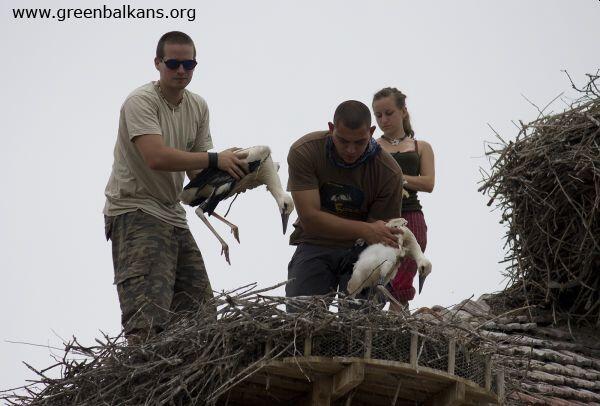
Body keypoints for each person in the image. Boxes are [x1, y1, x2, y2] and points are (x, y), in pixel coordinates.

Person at [103, 31, 247, 341]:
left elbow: (197, 172)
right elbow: (155, 157)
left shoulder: (197, 106)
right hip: (136, 210)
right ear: (157, 63)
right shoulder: (140, 101)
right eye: (173, 63)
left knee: (201, 318)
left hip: (172, 214)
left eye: (189, 64)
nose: (181, 70)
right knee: (147, 320)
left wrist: (236, 179)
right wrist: (215, 160)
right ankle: (142, 386)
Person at [285, 100, 404, 309]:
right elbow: (311, 219)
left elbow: (380, 239)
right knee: (301, 314)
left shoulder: (389, 172)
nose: (350, 150)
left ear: (371, 131)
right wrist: (366, 229)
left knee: (360, 320)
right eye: (343, 141)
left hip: (363, 250)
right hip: (316, 243)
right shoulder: (305, 152)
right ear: (331, 129)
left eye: (359, 142)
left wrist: (369, 234)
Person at [372, 87, 435, 311]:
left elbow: (428, 183)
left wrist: (397, 178)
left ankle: (396, 334)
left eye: (389, 113)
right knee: (376, 277)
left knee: (402, 281)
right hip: (378, 218)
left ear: (403, 111)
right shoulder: (371, 146)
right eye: (378, 115)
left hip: (411, 217)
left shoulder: (421, 147)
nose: (383, 120)